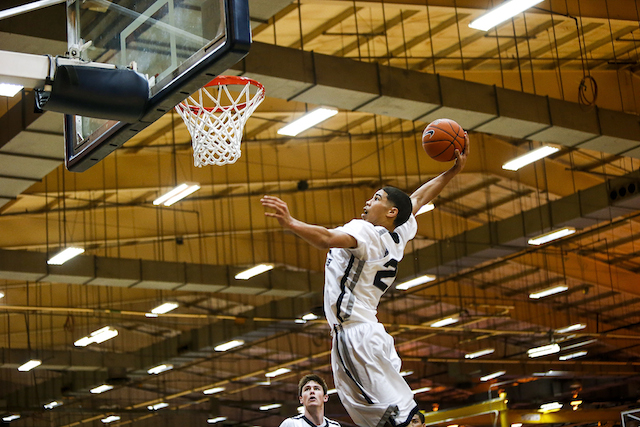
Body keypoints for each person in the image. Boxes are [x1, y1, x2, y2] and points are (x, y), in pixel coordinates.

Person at [262, 135, 469, 427]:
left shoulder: (366, 233)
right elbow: (419, 198)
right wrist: (452, 172)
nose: (368, 201)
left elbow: (324, 238)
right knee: (397, 416)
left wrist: (291, 222)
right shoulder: (399, 233)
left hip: (355, 336)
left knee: (394, 419)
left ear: (390, 212)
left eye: (376, 198)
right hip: (373, 334)